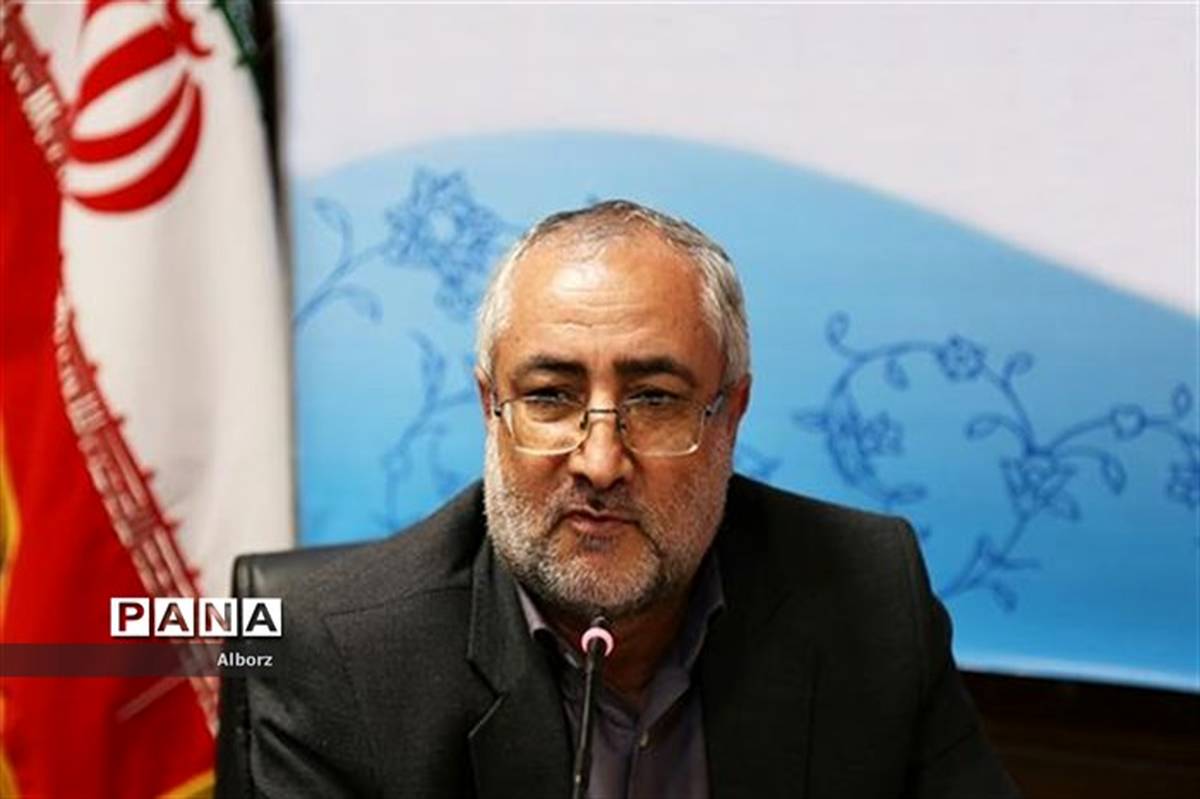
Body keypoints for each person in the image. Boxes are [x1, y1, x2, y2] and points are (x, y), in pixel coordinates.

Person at [228, 201, 1019, 798]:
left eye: (655, 399)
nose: (600, 462)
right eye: (550, 395)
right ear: (490, 409)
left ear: (731, 415)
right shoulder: (332, 657)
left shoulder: (869, 592)